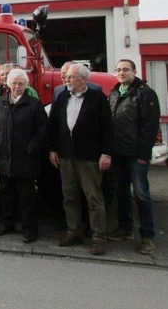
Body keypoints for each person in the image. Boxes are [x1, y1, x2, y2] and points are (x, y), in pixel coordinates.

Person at [48, 63, 113, 255]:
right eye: (66, 76)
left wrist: (106, 153)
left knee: (93, 197)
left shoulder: (98, 98)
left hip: (90, 157)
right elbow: (53, 125)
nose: (66, 79)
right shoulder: (61, 97)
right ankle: (74, 231)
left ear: (84, 79)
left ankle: (98, 237)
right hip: (66, 156)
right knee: (69, 196)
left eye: (71, 77)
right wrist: (52, 149)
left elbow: (108, 128)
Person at [0, 69, 48, 243]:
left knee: (26, 197)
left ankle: (30, 229)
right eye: (14, 83)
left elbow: (43, 130)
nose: (17, 86)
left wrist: (32, 148)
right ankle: (7, 224)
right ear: (8, 84)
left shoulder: (34, 105)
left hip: (26, 159)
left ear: (26, 85)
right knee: (6, 194)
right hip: (4, 158)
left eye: (21, 83)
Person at [108, 59, 160, 255]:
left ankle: (147, 236)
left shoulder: (145, 93)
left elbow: (150, 126)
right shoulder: (114, 93)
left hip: (136, 155)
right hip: (118, 153)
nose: (121, 73)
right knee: (121, 192)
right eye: (118, 70)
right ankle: (124, 228)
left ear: (134, 71)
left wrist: (143, 153)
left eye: (126, 69)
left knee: (142, 195)